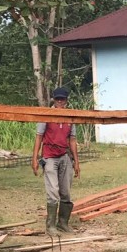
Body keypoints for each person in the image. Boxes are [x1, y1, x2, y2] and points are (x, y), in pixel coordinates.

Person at [33, 86, 81, 236]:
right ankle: (50, 226)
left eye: (63, 99)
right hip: (49, 156)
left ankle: (63, 223)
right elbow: (39, 137)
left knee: (66, 192)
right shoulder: (46, 115)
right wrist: (34, 158)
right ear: (53, 100)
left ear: (66, 101)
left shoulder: (70, 117)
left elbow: (72, 140)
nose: (60, 102)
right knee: (53, 191)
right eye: (57, 99)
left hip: (64, 155)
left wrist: (76, 161)